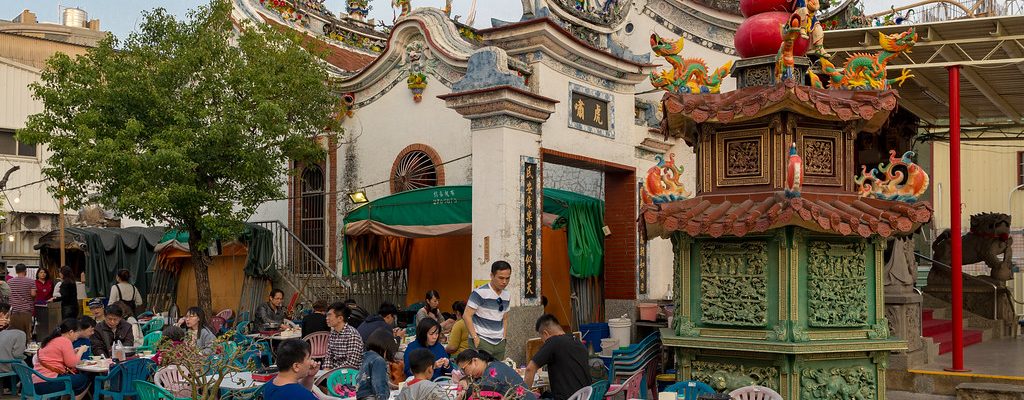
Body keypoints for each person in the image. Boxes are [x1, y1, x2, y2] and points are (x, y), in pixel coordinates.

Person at [524, 314, 589, 400]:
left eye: (542, 339)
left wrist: (523, 395)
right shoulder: (577, 341)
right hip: (585, 396)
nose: (544, 342)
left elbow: (530, 369)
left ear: (545, 333)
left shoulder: (553, 341)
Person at [464, 261, 512, 360]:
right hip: (482, 340)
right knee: (481, 373)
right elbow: (466, 315)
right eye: (501, 278)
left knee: (497, 372)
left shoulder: (507, 294)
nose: (504, 282)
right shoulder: (479, 293)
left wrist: (504, 337)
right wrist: (475, 338)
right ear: (492, 275)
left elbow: (505, 317)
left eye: (507, 278)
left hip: (499, 342)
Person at [33, 318, 90, 399]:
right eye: (77, 333)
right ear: (71, 332)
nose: (77, 337)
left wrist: (73, 351)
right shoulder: (65, 341)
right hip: (49, 383)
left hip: (38, 381)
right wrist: (81, 350)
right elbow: (72, 364)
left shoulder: (52, 339)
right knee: (84, 378)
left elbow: (56, 355)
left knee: (75, 379)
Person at [454, 349, 536, 400]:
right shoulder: (492, 365)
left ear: (475, 361)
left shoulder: (493, 371)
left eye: (464, 369)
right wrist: (465, 380)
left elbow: (479, 391)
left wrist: (464, 394)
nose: (466, 373)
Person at [357, 329, 397, 400]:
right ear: (386, 347)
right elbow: (378, 384)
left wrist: (392, 386)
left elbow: (372, 377)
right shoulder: (378, 360)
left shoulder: (366, 356)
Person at [322, 302, 363, 370]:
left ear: (340, 318)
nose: (327, 318)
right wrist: (326, 369)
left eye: (329, 315)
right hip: (334, 373)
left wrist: (331, 372)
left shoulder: (352, 335)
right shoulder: (333, 333)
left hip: (349, 375)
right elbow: (329, 356)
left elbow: (351, 364)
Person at [8, 264, 35, 338]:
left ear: (16, 271)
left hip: (14, 311)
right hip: (26, 310)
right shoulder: (31, 281)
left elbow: (8, 295)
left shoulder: (10, 282)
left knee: (14, 332)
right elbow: (33, 294)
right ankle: (26, 347)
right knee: (27, 332)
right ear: (25, 271)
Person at [0, 303, 26, 373]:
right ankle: (23, 383)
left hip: (1, 364)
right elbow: (17, 355)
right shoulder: (21, 334)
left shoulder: (2, 332)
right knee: (27, 365)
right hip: (8, 366)